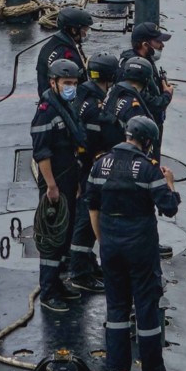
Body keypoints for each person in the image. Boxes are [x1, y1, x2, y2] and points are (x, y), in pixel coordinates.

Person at [86, 113, 185, 371]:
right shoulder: (148, 169)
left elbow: (92, 204)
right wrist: (171, 185)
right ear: (147, 141)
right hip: (140, 246)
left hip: (110, 245)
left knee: (116, 306)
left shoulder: (100, 165)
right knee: (146, 307)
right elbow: (169, 208)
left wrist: (102, 240)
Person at [31, 56, 89, 310]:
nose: (71, 87)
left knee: (65, 235)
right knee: (53, 240)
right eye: (67, 82)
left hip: (68, 179)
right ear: (53, 83)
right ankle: (47, 291)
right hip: (55, 184)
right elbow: (42, 154)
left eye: (74, 83)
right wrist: (51, 187)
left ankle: (57, 283)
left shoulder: (65, 108)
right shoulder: (46, 113)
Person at [68, 53, 123, 289]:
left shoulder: (82, 96)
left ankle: (87, 264)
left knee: (85, 219)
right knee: (86, 222)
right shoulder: (94, 107)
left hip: (79, 167)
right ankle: (79, 273)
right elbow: (104, 138)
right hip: (87, 170)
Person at [119, 20, 173, 141]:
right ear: (145, 45)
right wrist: (166, 96)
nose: (162, 46)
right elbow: (147, 102)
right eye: (158, 42)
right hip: (141, 131)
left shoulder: (145, 60)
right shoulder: (132, 70)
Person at [36, 3, 94, 94]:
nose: (87, 33)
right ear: (74, 30)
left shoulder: (53, 43)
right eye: (85, 30)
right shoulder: (65, 54)